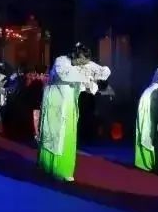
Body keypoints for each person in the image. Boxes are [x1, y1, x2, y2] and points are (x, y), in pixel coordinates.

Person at [38, 43, 111, 181]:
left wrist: (92, 82)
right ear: (74, 55)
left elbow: (104, 72)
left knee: (68, 135)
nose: (82, 64)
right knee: (53, 133)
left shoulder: (82, 65)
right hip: (55, 101)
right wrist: (87, 76)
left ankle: (63, 169)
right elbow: (66, 75)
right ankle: (48, 166)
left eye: (85, 61)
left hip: (69, 102)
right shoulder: (61, 61)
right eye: (81, 60)